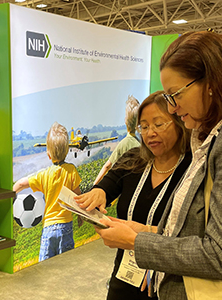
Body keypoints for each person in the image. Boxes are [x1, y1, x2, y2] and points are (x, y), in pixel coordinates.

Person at [88, 31, 222, 300]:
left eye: (175, 94)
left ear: (212, 82)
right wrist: (144, 231)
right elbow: (194, 231)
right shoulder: (206, 140)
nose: (174, 108)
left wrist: (136, 242)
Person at [75, 91, 192, 300]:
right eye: (144, 126)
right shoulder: (134, 159)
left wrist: (142, 235)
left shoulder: (193, 169)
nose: (150, 133)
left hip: (170, 280)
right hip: (126, 274)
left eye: (158, 124)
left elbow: (192, 236)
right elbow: (108, 184)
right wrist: (98, 193)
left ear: (179, 122)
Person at [13, 122, 81, 261]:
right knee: (66, 265)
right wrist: (81, 216)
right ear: (67, 150)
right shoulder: (71, 171)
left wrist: (10, 196)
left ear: (48, 154)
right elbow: (77, 197)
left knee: (44, 268)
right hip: (66, 226)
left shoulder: (43, 175)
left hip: (49, 227)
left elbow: (20, 183)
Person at [93, 95, 141, 185]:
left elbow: (107, 166)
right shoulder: (140, 145)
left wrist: (94, 186)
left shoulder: (123, 144)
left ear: (126, 121)